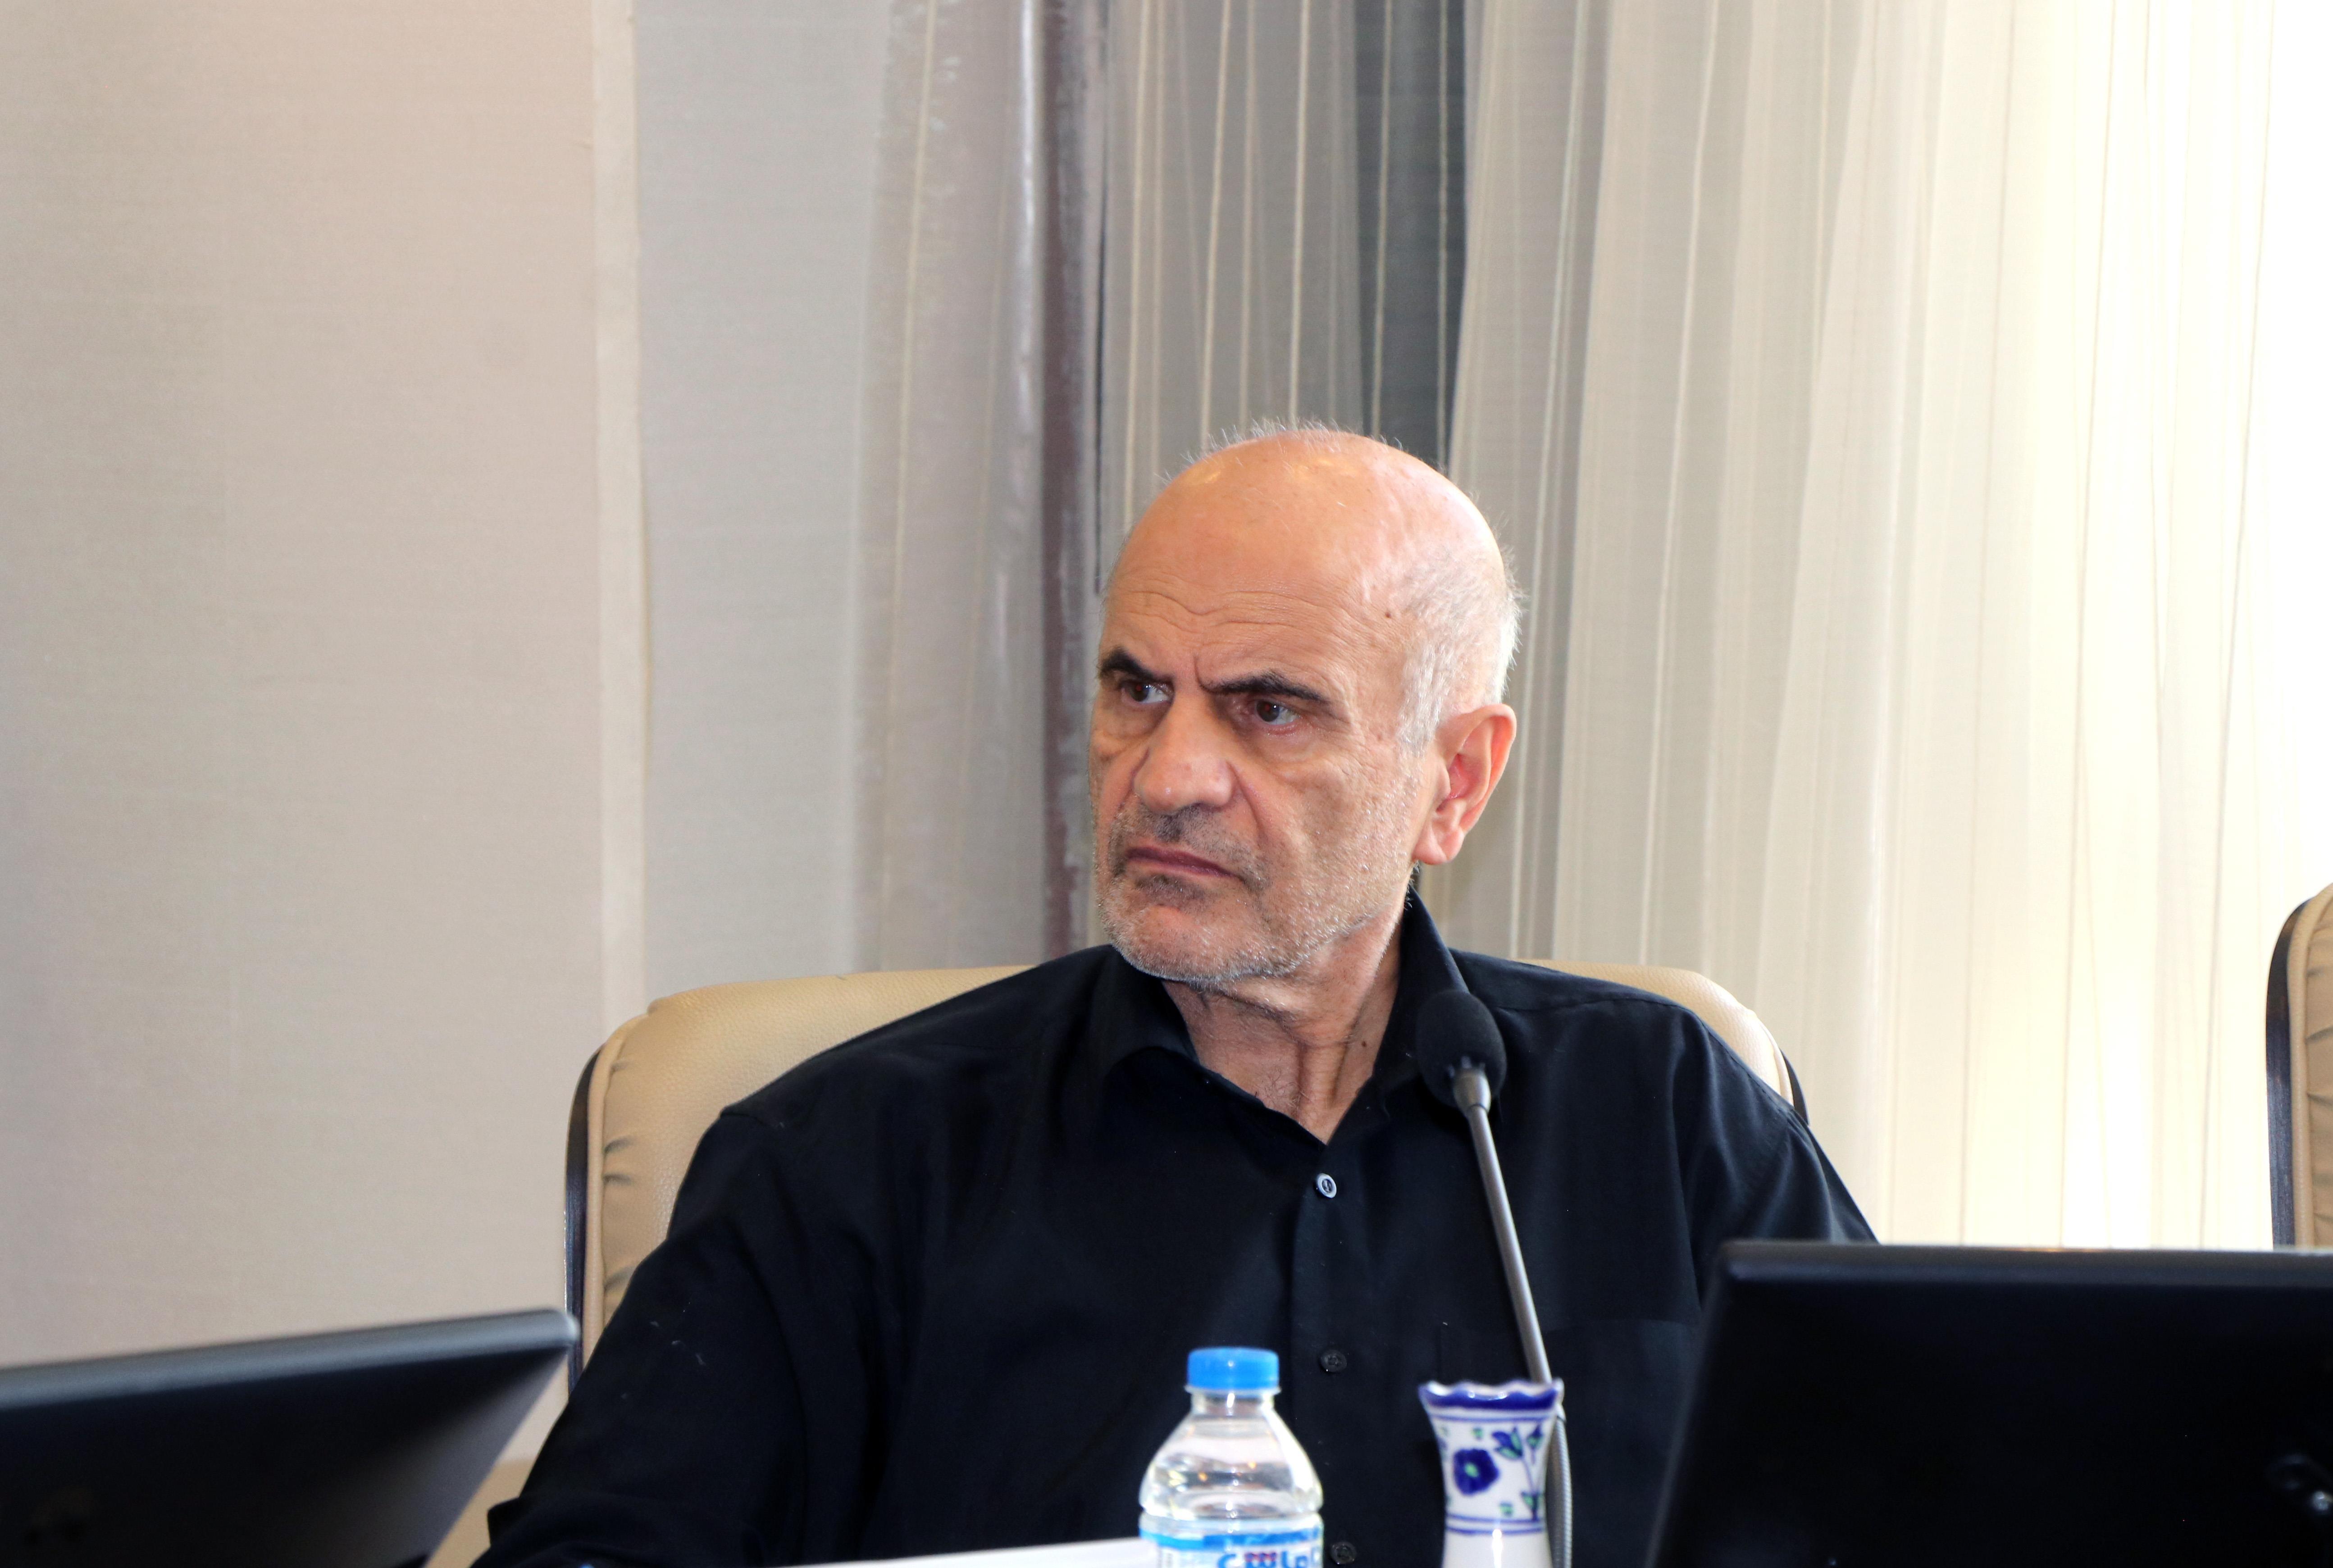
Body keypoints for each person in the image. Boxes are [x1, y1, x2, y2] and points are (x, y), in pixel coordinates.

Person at [478, 430, 1869, 1568]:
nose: (1168, 776)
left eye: (1268, 709)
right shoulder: (851, 1158)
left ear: (1450, 782)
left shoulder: (1665, 1113)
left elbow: (1919, 1509)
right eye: (1137, 691)